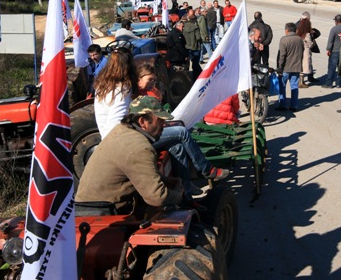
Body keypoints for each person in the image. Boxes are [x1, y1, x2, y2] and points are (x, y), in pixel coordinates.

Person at [75, 96, 184, 216]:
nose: (164, 125)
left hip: (92, 206)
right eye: (160, 120)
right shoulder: (139, 147)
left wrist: (167, 182)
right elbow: (157, 197)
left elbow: (140, 173)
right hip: (103, 212)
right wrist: (178, 195)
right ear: (142, 122)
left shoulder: (122, 130)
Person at [135, 66, 229, 195]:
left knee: (177, 146)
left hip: (149, 131)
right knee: (182, 132)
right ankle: (206, 169)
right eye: (149, 79)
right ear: (139, 79)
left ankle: (186, 192)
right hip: (142, 137)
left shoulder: (148, 92)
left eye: (154, 80)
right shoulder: (136, 96)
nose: (152, 83)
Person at [93, 41, 138, 138]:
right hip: (118, 140)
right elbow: (116, 124)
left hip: (110, 137)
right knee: (179, 131)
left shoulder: (102, 86)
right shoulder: (121, 90)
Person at [276, 22, 304, 112]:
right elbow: (301, 53)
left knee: (282, 86)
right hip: (296, 67)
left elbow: (282, 55)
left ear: (287, 30)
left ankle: (283, 104)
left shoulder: (284, 39)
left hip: (285, 68)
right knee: (294, 86)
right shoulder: (299, 39)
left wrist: (280, 66)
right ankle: (294, 105)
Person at [322, 15, 341, 89]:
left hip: (334, 51)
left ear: (336, 21)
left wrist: (328, 49)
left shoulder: (334, 29)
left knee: (331, 68)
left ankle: (329, 83)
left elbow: (330, 40)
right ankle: (339, 83)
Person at [182, 7, 203, 80]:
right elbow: (198, 37)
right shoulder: (195, 27)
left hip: (187, 47)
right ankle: (199, 76)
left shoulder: (183, 27)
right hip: (195, 47)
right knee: (195, 63)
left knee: (188, 64)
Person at [297, 16, 317, 87]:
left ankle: (300, 82)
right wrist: (312, 44)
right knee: (304, 66)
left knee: (301, 66)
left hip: (299, 50)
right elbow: (310, 43)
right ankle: (301, 83)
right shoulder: (307, 34)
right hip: (305, 50)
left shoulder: (299, 32)